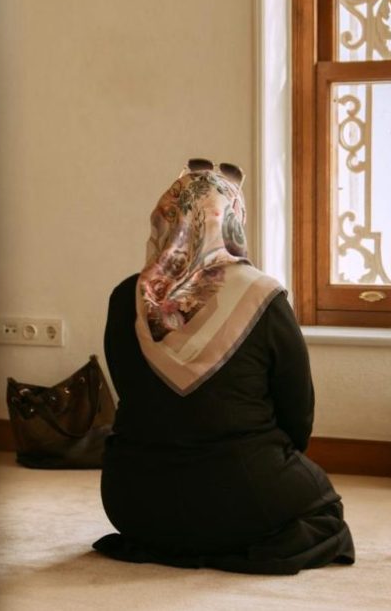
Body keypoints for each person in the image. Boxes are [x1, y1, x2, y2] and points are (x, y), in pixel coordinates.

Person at [92, 158, 355, 575]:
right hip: (245, 496)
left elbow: (128, 392)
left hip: (135, 502)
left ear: (166, 221)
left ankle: (177, 540)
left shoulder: (126, 297)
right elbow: (297, 411)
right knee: (326, 513)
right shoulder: (263, 297)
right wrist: (279, 459)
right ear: (232, 222)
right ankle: (229, 546)